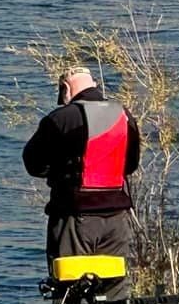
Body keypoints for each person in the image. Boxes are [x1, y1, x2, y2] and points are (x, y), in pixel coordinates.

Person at [22, 64, 142, 279]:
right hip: (117, 216)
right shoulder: (124, 116)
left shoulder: (60, 119)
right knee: (113, 284)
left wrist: (60, 172)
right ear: (94, 85)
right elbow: (131, 164)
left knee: (71, 285)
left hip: (74, 216)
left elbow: (34, 164)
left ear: (66, 88)